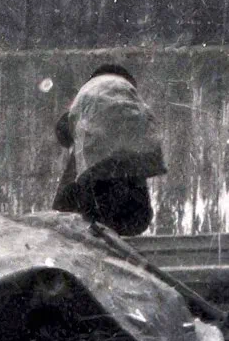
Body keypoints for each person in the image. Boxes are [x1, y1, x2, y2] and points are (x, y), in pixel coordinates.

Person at [51, 64, 165, 236]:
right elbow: (149, 130)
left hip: (95, 169)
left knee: (71, 213)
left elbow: (63, 130)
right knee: (132, 216)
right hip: (128, 169)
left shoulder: (88, 92)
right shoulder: (130, 95)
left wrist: (75, 141)